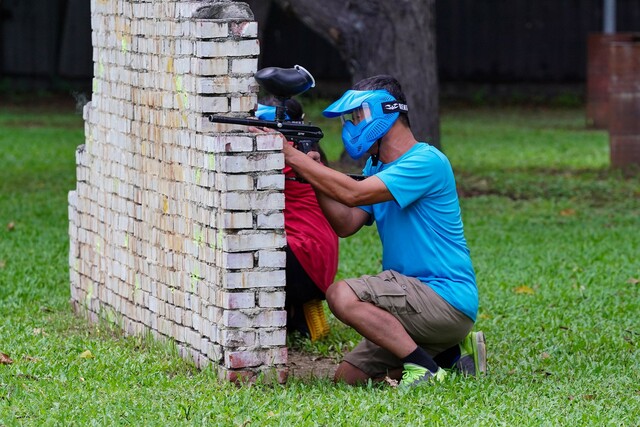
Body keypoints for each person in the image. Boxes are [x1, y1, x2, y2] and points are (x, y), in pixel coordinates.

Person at [277, 75, 486, 387]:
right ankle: (451, 356)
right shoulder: (377, 169)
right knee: (348, 379)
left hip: (443, 298)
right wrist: (311, 175)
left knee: (341, 294)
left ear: (383, 112)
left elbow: (353, 194)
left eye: (356, 116)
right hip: (410, 305)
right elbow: (346, 223)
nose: (350, 125)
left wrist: (291, 155)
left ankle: (423, 368)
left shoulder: (426, 162)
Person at [256, 98, 339, 340]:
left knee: (253, 249)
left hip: (304, 258)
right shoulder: (308, 154)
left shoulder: (287, 154)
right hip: (320, 259)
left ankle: (294, 308)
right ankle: (299, 312)